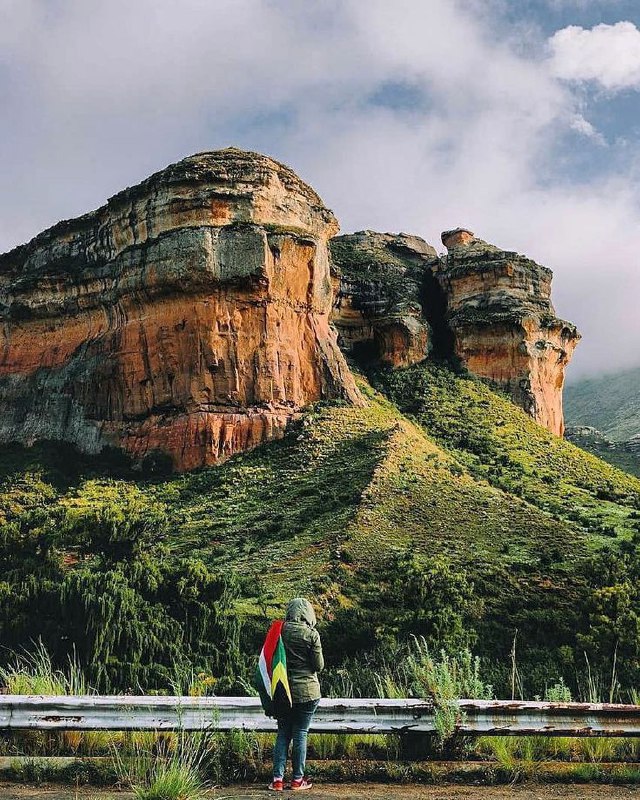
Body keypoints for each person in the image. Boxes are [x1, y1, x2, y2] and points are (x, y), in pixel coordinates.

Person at [269, 597, 324, 792]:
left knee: (283, 733)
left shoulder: (278, 631)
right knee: (300, 732)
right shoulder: (311, 634)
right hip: (307, 692)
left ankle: (277, 780)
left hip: (282, 691)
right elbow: (319, 666)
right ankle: (297, 780)